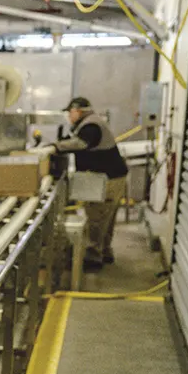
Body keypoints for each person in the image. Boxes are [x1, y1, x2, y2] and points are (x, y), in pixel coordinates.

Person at [41, 97, 129, 269]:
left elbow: (80, 143)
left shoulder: (91, 125)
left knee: (97, 217)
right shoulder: (88, 124)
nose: (68, 116)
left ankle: (93, 258)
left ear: (78, 110)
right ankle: (104, 252)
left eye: (70, 112)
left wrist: (55, 147)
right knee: (106, 219)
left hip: (108, 180)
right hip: (113, 177)